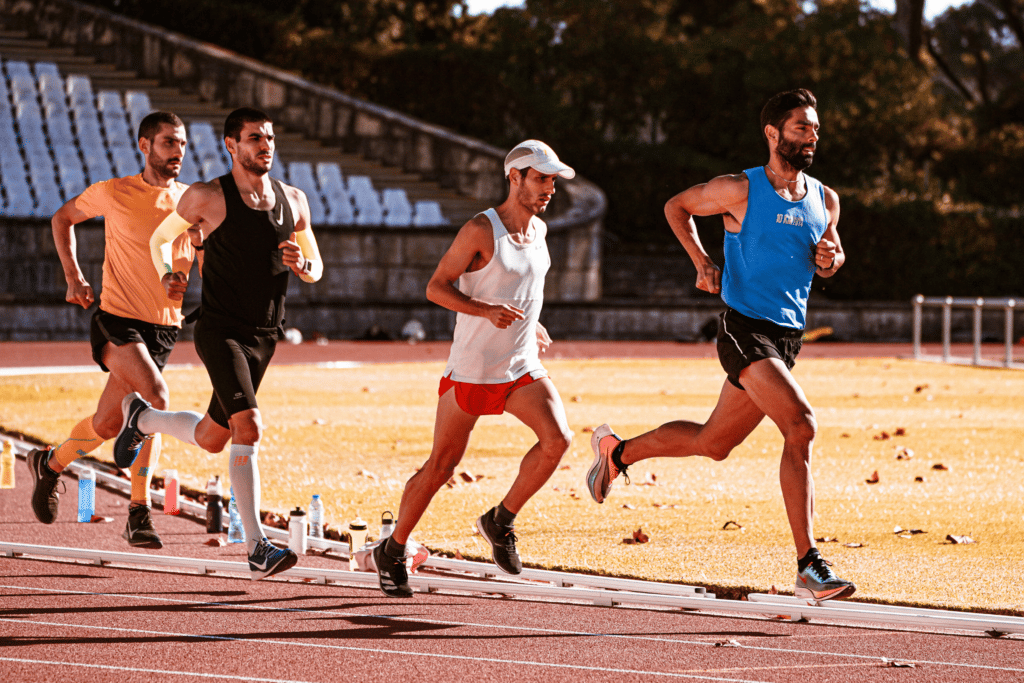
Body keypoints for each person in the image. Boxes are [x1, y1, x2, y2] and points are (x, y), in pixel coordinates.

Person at [587, 89, 856, 602]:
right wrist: (701, 260)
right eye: (802, 127)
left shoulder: (826, 200)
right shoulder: (740, 189)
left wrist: (831, 260)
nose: (812, 136)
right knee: (800, 426)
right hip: (744, 328)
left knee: (714, 444)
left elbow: (830, 258)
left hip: (786, 337)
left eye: (815, 128)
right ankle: (809, 564)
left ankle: (617, 453)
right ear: (773, 134)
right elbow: (676, 206)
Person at [112, 107, 324, 581]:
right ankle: (255, 546)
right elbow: (161, 239)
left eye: (269, 137)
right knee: (249, 427)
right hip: (220, 329)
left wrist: (302, 265)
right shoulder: (208, 196)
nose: (264, 145)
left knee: (215, 437)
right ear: (232, 145)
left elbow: (316, 265)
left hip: (265, 335)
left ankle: (141, 417)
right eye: (254, 138)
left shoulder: (294, 199)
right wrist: (171, 273)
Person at [372, 141, 575, 597]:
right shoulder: (481, 229)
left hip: (520, 366)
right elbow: (436, 288)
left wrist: (532, 321)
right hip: (473, 368)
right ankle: (394, 548)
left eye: (553, 180)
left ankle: (500, 520)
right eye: (540, 178)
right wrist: (484, 311)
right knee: (442, 466)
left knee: (557, 439)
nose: (549, 188)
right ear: (514, 177)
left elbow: (521, 289)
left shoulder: (540, 231)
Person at [28, 112, 197, 549]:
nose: (177, 152)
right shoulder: (115, 191)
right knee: (155, 400)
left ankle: (49, 464)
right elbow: (61, 219)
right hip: (117, 318)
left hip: (163, 329)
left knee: (107, 424)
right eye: (167, 143)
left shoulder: (192, 204)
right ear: (144, 145)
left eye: (181, 143)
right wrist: (73, 277)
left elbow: (208, 254)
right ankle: (138, 513)